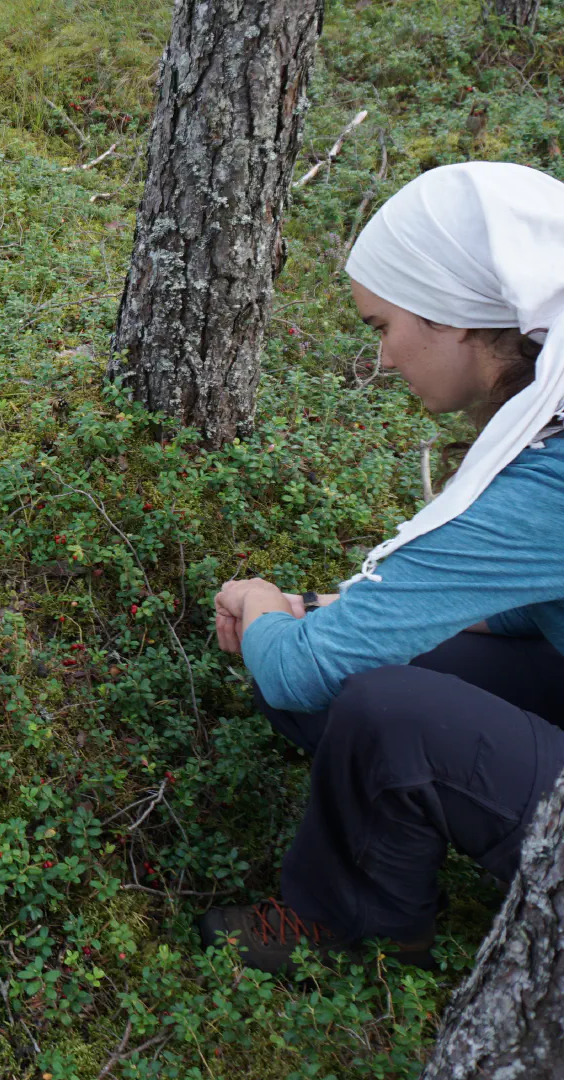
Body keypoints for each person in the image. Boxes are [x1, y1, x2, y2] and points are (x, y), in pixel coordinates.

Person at [203, 161, 564, 973]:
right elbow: (535, 604)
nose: (382, 358)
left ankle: (354, 929)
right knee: (379, 667)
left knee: (380, 702)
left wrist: (262, 606)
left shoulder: (551, 472)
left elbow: (300, 674)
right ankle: (396, 861)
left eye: (381, 327)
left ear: (459, 320)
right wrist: (316, 604)